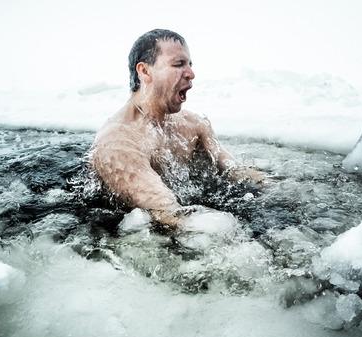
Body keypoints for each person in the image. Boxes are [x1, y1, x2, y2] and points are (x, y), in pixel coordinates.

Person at [90, 29, 265, 228]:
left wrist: (280, 191)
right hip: (125, 232)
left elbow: (236, 171)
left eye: (190, 64)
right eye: (179, 64)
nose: (191, 74)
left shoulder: (193, 124)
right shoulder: (118, 143)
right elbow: (169, 214)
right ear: (145, 71)